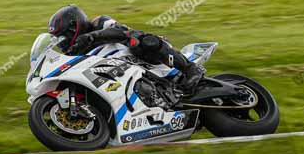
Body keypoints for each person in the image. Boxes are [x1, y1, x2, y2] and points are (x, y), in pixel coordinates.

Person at [47, 5, 205, 94]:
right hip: (120, 74)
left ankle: (190, 67)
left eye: (63, 37)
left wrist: (92, 37)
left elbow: (122, 32)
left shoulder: (99, 23)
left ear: (75, 27)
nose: (62, 43)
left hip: (144, 58)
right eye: (58, 39)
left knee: (138, 41)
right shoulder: (74, 53)